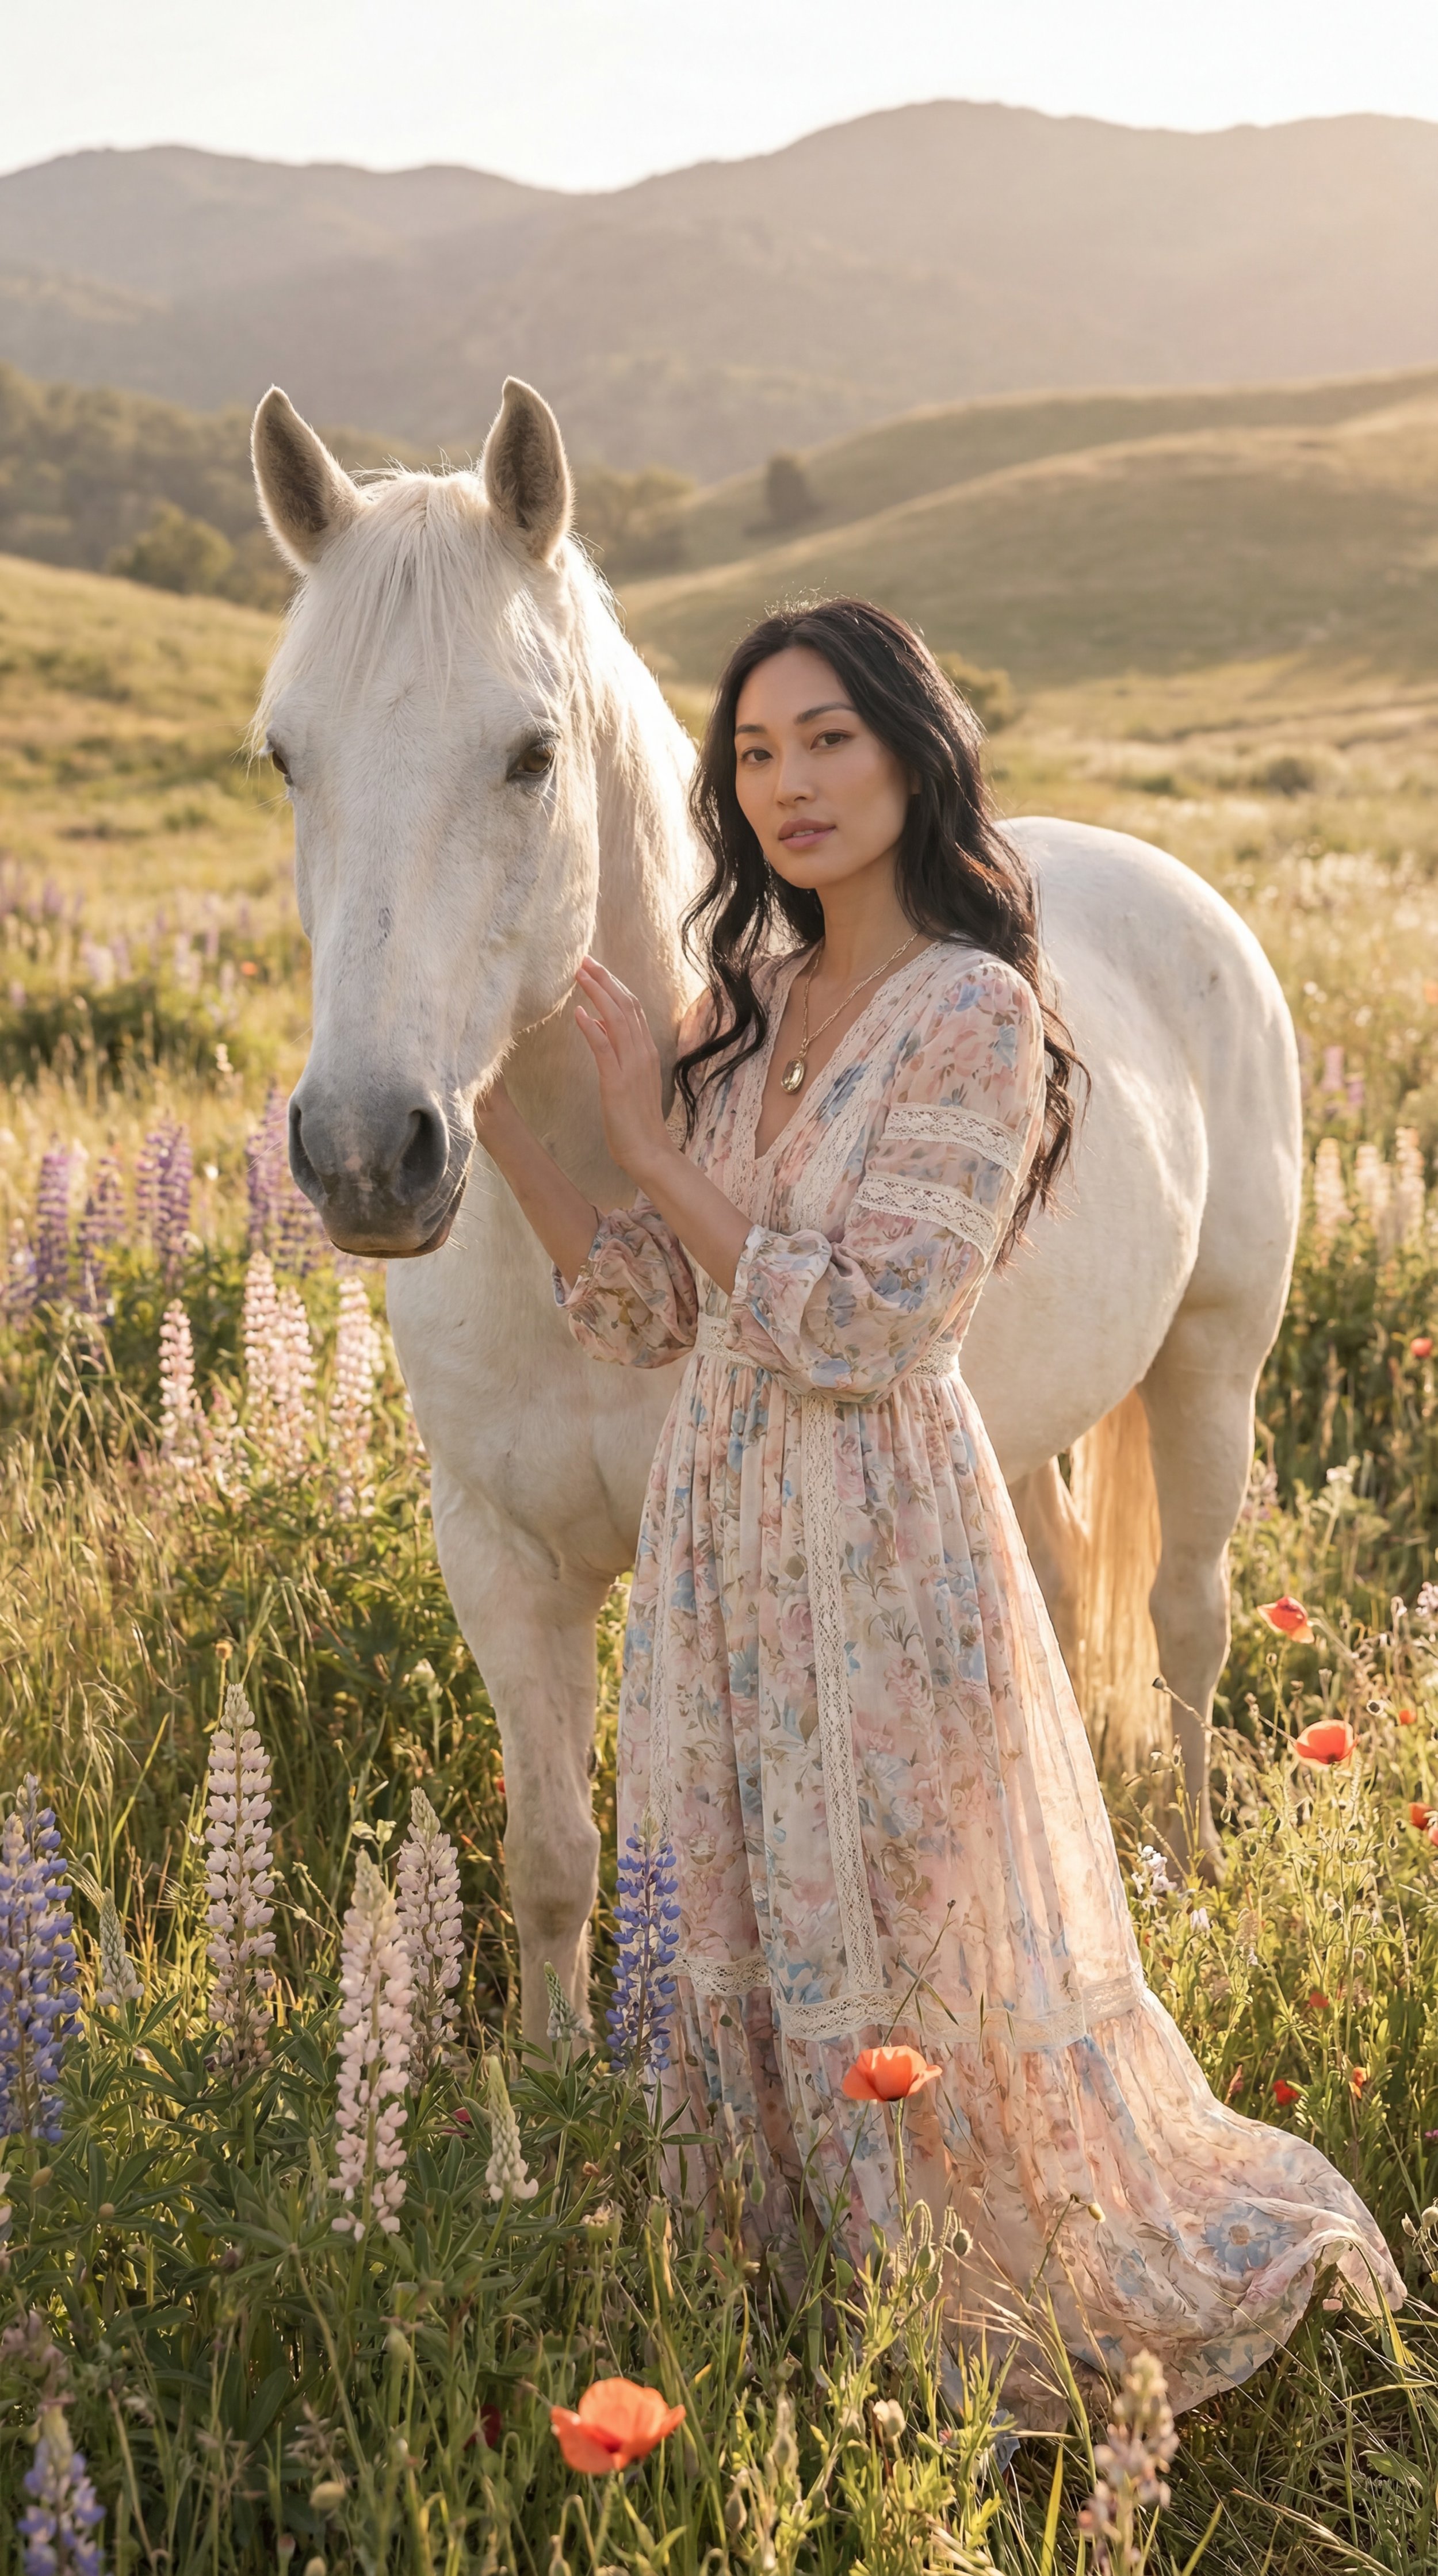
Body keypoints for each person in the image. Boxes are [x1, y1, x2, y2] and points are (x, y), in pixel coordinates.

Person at [475, 596, 1399, 2417]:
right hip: (717, 1541)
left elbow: (860, 1324)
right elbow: (651, 1307)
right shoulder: (745, 1007)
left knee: (898, 1912)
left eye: (827, 738)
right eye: (754, 753)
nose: (790, 783)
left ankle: (936, 2297)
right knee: (738, 1909)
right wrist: (520, 1129)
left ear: (910, 750)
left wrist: (652, 1142)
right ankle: (769, 2289)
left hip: (880, 1531)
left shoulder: (976, 1013)